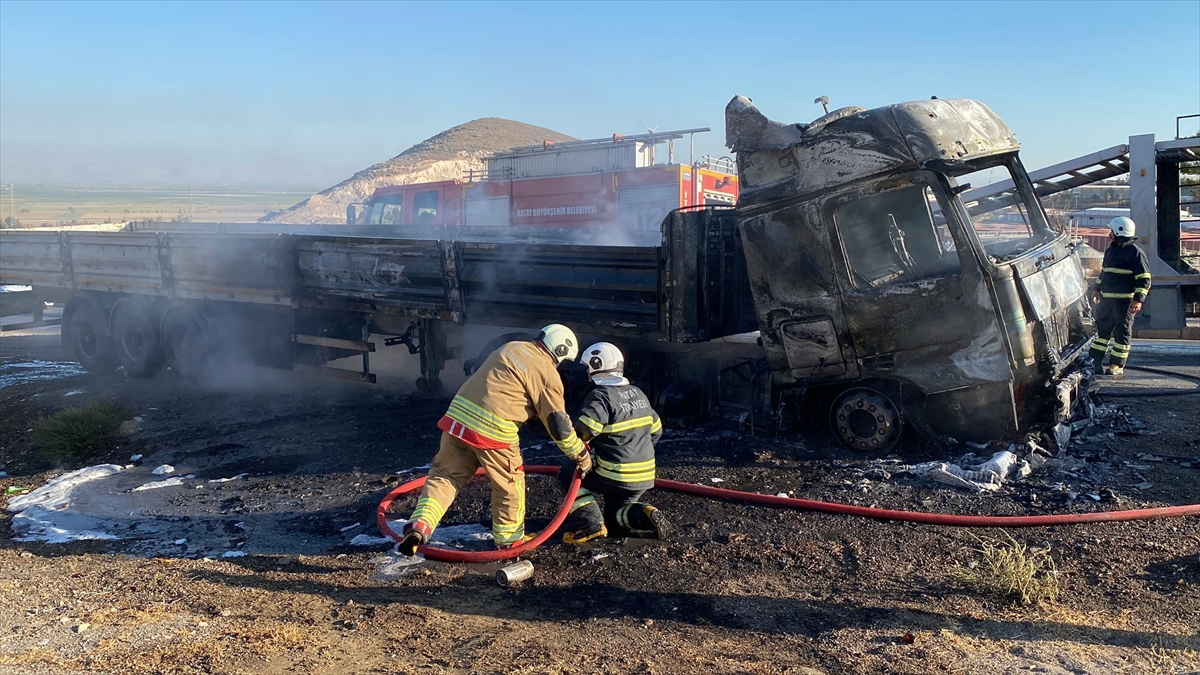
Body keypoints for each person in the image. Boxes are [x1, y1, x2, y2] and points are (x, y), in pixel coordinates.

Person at [399, 324, 592, 556]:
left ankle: (420, 525)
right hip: (493, 429)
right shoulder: (547, 373)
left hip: (457, 419)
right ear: (560, 351)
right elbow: (558, 426)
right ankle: (508, 543)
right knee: (509, 485)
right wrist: (580, 454)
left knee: (445, 476)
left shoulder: (511, 347)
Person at [557, 342, 670, 544]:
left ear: (595, 365)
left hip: (614, 474)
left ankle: (590, 524)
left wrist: (564, 428)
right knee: (615, 516)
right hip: (644, 474)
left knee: (566, 473)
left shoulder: (600, 396)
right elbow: (656, 431)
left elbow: (584, 432)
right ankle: (644, 514)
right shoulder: (638, 393)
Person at [1089, 216, 1152, 377]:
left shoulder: (1135, 253)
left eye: (1111, 231)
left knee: (1122, 333)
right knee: (1101, 332)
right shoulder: (1111, 251)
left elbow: (1144, 279)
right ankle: (1094, 362)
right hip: (1106, 301)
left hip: (1125, 303)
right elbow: (1104, 273)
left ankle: (1116, 365)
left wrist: (1138, 299)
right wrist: (1096, 289)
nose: (1109, 233)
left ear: (1119, 232)